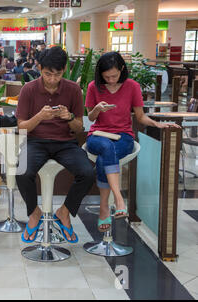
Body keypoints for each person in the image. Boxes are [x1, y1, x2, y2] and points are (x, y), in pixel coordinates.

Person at [85, 51, 181, 232]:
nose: (111, 80)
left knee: (106, 153)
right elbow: (90, 118)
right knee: (106, 146)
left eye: (114, 76)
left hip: (124, 136)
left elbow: (141, 117)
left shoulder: (132, 86)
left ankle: (104, 206)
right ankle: (119, 199)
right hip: (98, 135)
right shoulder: (93, 87)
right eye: (107, 77)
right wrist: (97, 109)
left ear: (122, 69)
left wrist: (158, 124)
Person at [15, 46, 95, 243]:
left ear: (64, 70)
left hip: (66, 143)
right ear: (40, 68)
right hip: (36, 141)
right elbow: (22, 127)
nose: (52, 79)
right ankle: (34, 214)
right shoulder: (29, 89)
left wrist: (68, 117)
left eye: (57, 74)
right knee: (22, 172)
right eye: (48, 74)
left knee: (88, 173)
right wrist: (40, 116)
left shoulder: (73, 89)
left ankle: (64, 212)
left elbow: (78, 129)